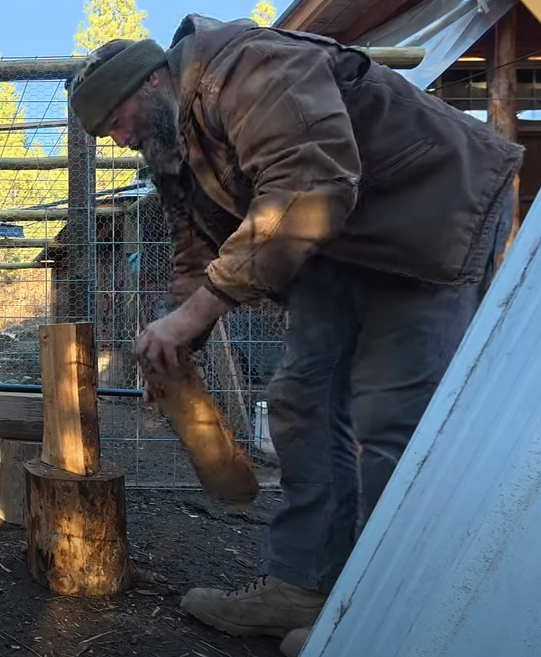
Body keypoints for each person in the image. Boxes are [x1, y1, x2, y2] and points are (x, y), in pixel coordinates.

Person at [66, 12, 522, 649]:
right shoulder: (173, 145)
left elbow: (310, 184)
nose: (116, 141)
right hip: (337, 244)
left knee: (395, 418)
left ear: (148, 86)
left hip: (429, 218)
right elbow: (196, 251)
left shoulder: (248, 67)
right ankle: (303, 588)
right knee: (302, 400)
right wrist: (176, 344)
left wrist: (193, 315)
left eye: (113, 123)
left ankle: (390, 614)